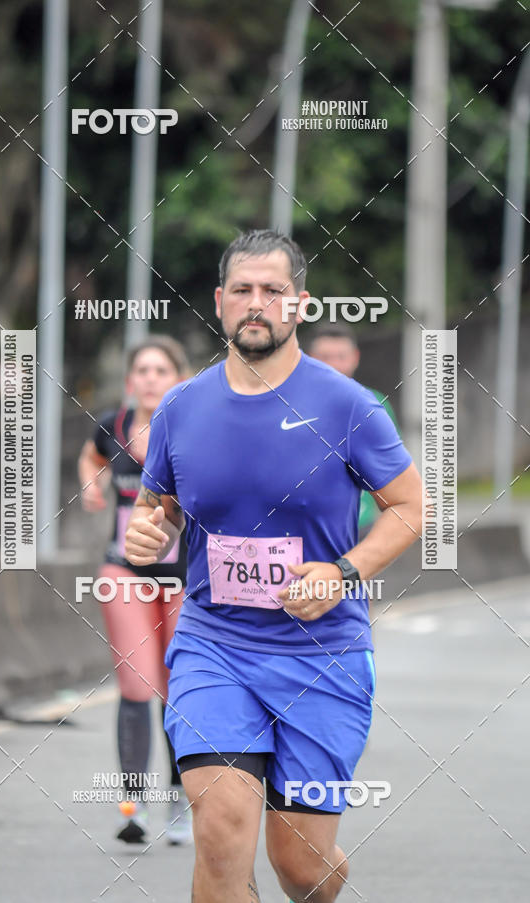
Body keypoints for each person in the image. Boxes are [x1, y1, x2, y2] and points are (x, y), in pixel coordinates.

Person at [124, 230, 423, 902]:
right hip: (214, 646)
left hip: (322, 655)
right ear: (219, 302)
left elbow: (409, 505)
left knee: (301, 868)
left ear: (299, 304)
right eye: (242, 290)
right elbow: (159, 508)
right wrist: (150, 534)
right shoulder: (181, 407)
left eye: (273, 291)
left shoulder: (348, 405)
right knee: (222, 829)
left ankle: (318, 874)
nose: (256, 303)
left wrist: (342, 572)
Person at [78, 335, 192, 846]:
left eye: (160, 371)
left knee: (176, 691)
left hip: (183, 577)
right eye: (141, 371)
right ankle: (133, 808)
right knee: (135, 688)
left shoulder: (194, 430)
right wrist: (90, 484)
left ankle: (180, 803)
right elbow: (90, 455)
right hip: (123, 570)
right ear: (130, 383)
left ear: (179, 379)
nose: (149, 379)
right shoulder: (114, 427)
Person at [307, 323, 399, 531]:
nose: (333, 364)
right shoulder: (291, 405)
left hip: (360, 525)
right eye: (325, 357)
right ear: (310, 358)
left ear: (355, 357)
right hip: (306, 529)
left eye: (341, 356)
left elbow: (393, 470)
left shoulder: (376, 404)